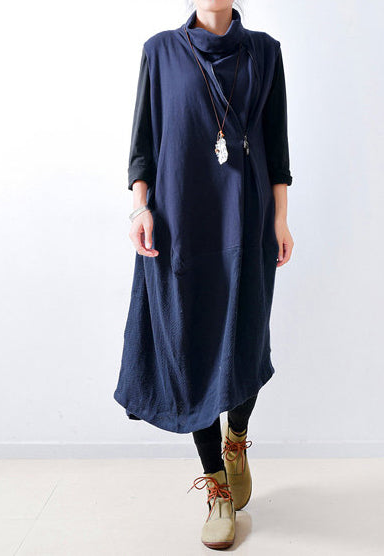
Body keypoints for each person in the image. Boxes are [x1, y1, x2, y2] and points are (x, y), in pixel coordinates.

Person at [113, 0, 294, 549]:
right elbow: (144, 143)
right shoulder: (160, 51)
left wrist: (281, 219)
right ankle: (216, 484)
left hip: (248, 220)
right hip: (181, 224)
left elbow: (276, 145)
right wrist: (140, 209)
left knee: (245, 341)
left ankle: (236, 437)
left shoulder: (265, 52)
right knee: (187, 346)